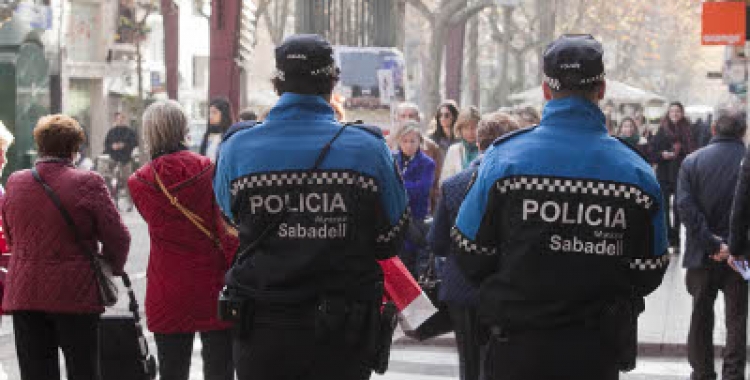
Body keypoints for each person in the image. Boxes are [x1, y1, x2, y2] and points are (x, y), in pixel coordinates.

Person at [452, 34, 668, 380]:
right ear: (601, 89)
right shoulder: (636, 173)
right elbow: (649, 268)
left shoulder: (503, 160)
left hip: (517, 348)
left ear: (546, 90)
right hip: (594, 351)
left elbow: (468, 249)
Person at [213, 34, 408, 380]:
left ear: (277, 84)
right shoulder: (368, 149)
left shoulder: (237, 148)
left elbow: (230, 218)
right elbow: (391, 237)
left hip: (263, 327)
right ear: (332, 82)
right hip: (342, 333)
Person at [2, 114, 131, 380]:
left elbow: (11, 235)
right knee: (82, 369)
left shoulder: (15, 182)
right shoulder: (89, 182)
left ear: (39, 145)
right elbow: (119, 237)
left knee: (35, 373)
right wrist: (110, 265)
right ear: (75, 148)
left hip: (26, 293)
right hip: (75, 293)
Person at [128, 101, 239, 380]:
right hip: (214, 284)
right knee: (220, 370)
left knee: (172, 371)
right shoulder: (210, 170)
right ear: (184, 129)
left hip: (167, 288)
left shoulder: (139, 182)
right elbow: (227, 232)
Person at [429, 112, 519, 380]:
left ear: (478, 144)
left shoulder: (454, 184)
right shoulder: (520, 185)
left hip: (462, 287)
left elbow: (437, 242)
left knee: (469, 365)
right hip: (507, 288)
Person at [677, 111, 747, 380]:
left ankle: (703, 371)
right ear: (743, 131)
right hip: (741, 255)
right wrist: (733, 244)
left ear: (715, 127)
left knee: (700, 314)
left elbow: (685, 207)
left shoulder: (692, 161)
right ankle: (733, 373)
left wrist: (710, 243)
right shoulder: (745, 161)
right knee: (737, 318)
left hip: (701, 254)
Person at [650, 101, 695, 252]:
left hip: (681, 174)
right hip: (664, 173)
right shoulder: (662, 131)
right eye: (672, 111)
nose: (674, 114)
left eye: (677, 111)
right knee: (663, 208)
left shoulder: (689, 130)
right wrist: (662, 155)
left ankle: (677, 240)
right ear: (668, 114)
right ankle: (669, 239)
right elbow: (653, 153)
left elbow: (694, 153)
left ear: (682, 113)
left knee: (678, 208)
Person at [392, 122, 436, 276]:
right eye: (405, 141)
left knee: (411, 263)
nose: (409, 145)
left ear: (419, 142)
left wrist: (398, 184)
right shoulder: (392, 159)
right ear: (399, 141)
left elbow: (422, 190)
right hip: (394, 218)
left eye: (413, 141)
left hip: (415, 219)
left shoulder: (427, 163)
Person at [440, 106, 480, 183]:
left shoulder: (486, 149)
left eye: (474, 127)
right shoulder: (453, 150)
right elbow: (444, 181)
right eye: (466, 128)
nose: (470, 132)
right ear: (459, 129)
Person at [103, 112, 138, 198]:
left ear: (124, 120)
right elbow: (106, 145)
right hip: (113, 158)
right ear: (115, 120)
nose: (120, 121)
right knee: (105, 176)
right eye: (118, 119)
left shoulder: (130, 132)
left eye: (122, 119)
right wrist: (112, 146)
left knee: (128, 181)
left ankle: (130, 201)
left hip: (126, 159)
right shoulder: (111, 132)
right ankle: (111, 195)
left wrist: (124, 145)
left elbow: (135, 143)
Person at [200, 97, 235, 162]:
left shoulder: (231, 135)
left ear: (224, 115)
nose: (210, 116)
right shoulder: (207, 135)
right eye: (209, 113)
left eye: (214, 112)